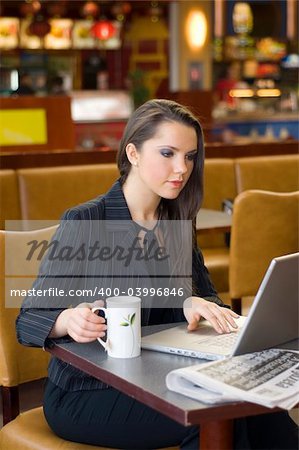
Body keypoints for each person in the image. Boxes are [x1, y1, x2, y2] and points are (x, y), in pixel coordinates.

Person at [16, 99, 298, 449]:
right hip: (86, 392)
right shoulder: (86, 221)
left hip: (161, 379)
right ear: (132, 153)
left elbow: (210, 298)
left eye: (190, 156)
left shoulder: (177, 220)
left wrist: (195, 301)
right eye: (168, 153)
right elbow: (27, 319)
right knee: (222, 419)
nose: (181, 168)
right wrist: (68, 320)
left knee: (265, 411)